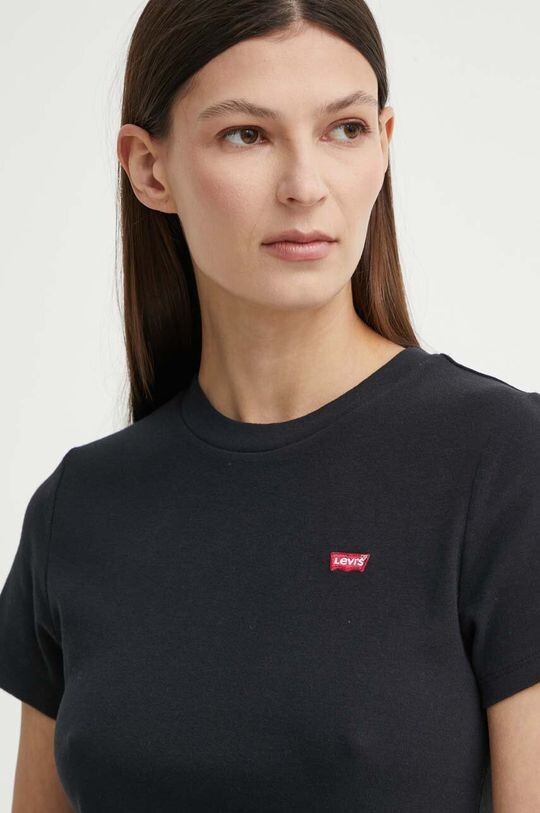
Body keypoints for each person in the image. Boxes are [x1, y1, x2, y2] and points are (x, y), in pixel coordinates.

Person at [1, 1, 539, 811]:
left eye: (344, 129)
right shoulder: (77, 509)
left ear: (385, 143)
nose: (305, 186)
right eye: (246, 134)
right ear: (150, 169)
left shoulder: (503, 464)